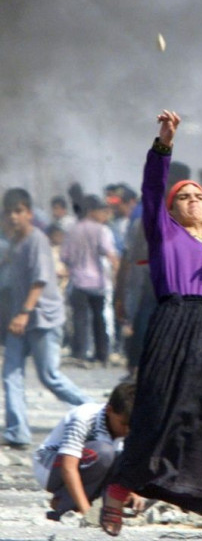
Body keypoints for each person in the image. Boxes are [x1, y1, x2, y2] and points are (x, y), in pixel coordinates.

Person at [101, 110, 202, 541]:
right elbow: (152, 188)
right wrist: (164, 144)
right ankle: (119, 488)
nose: (192, 199)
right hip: (177, 325)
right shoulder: (166, 236)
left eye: (198, 195)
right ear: (170, 211)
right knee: (163, 415)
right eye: (183, 196)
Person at [2, 188, 90, 449]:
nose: (14, 217)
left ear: (29, 213)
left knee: (49, 375)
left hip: (41, 319)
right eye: (9, 212)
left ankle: (97, 412)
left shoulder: (36, 240)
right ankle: (17, 431)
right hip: (20, 321)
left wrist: (22, 314)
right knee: (11, 375)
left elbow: (39, 281)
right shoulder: (15, 244)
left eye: (19, 211)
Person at [33, 382, 138, 519]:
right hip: (51, 467)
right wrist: (87, 513)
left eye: (131, 425)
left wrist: (133, 492)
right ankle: (64, 502)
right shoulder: (84, 417)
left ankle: (86, 501)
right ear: (109, 411)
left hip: (89, 467)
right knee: (104, 452)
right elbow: (68, 467)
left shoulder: (132, 425)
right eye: (123, 424)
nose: (127, 430)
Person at [61, 194, 119, 367]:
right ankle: (102, 355)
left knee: (79, 319)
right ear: (91, 211)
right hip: (97, 283)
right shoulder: (101, 230)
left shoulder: (73, 230)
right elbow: (110, 255)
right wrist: (117, 277)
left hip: (78, 282)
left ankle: (80, 353)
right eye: (101, 211)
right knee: (98, 319)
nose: (104, 214)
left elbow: (65, 256)